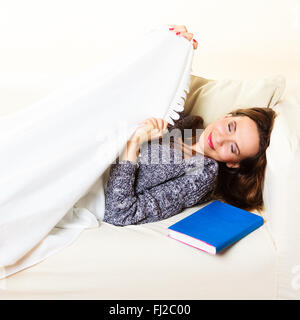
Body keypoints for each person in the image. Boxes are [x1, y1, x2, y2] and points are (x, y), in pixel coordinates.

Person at [103, 25, 277, 226]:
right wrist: (174, 48)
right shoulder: (188, 123)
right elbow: (144, 91)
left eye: (232, 147)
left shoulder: (201, 175)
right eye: (230, 127)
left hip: (92, 187)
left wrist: (132, 144)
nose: (219, 138)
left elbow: (119, 214)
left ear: (233, 163)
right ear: (227, 116)